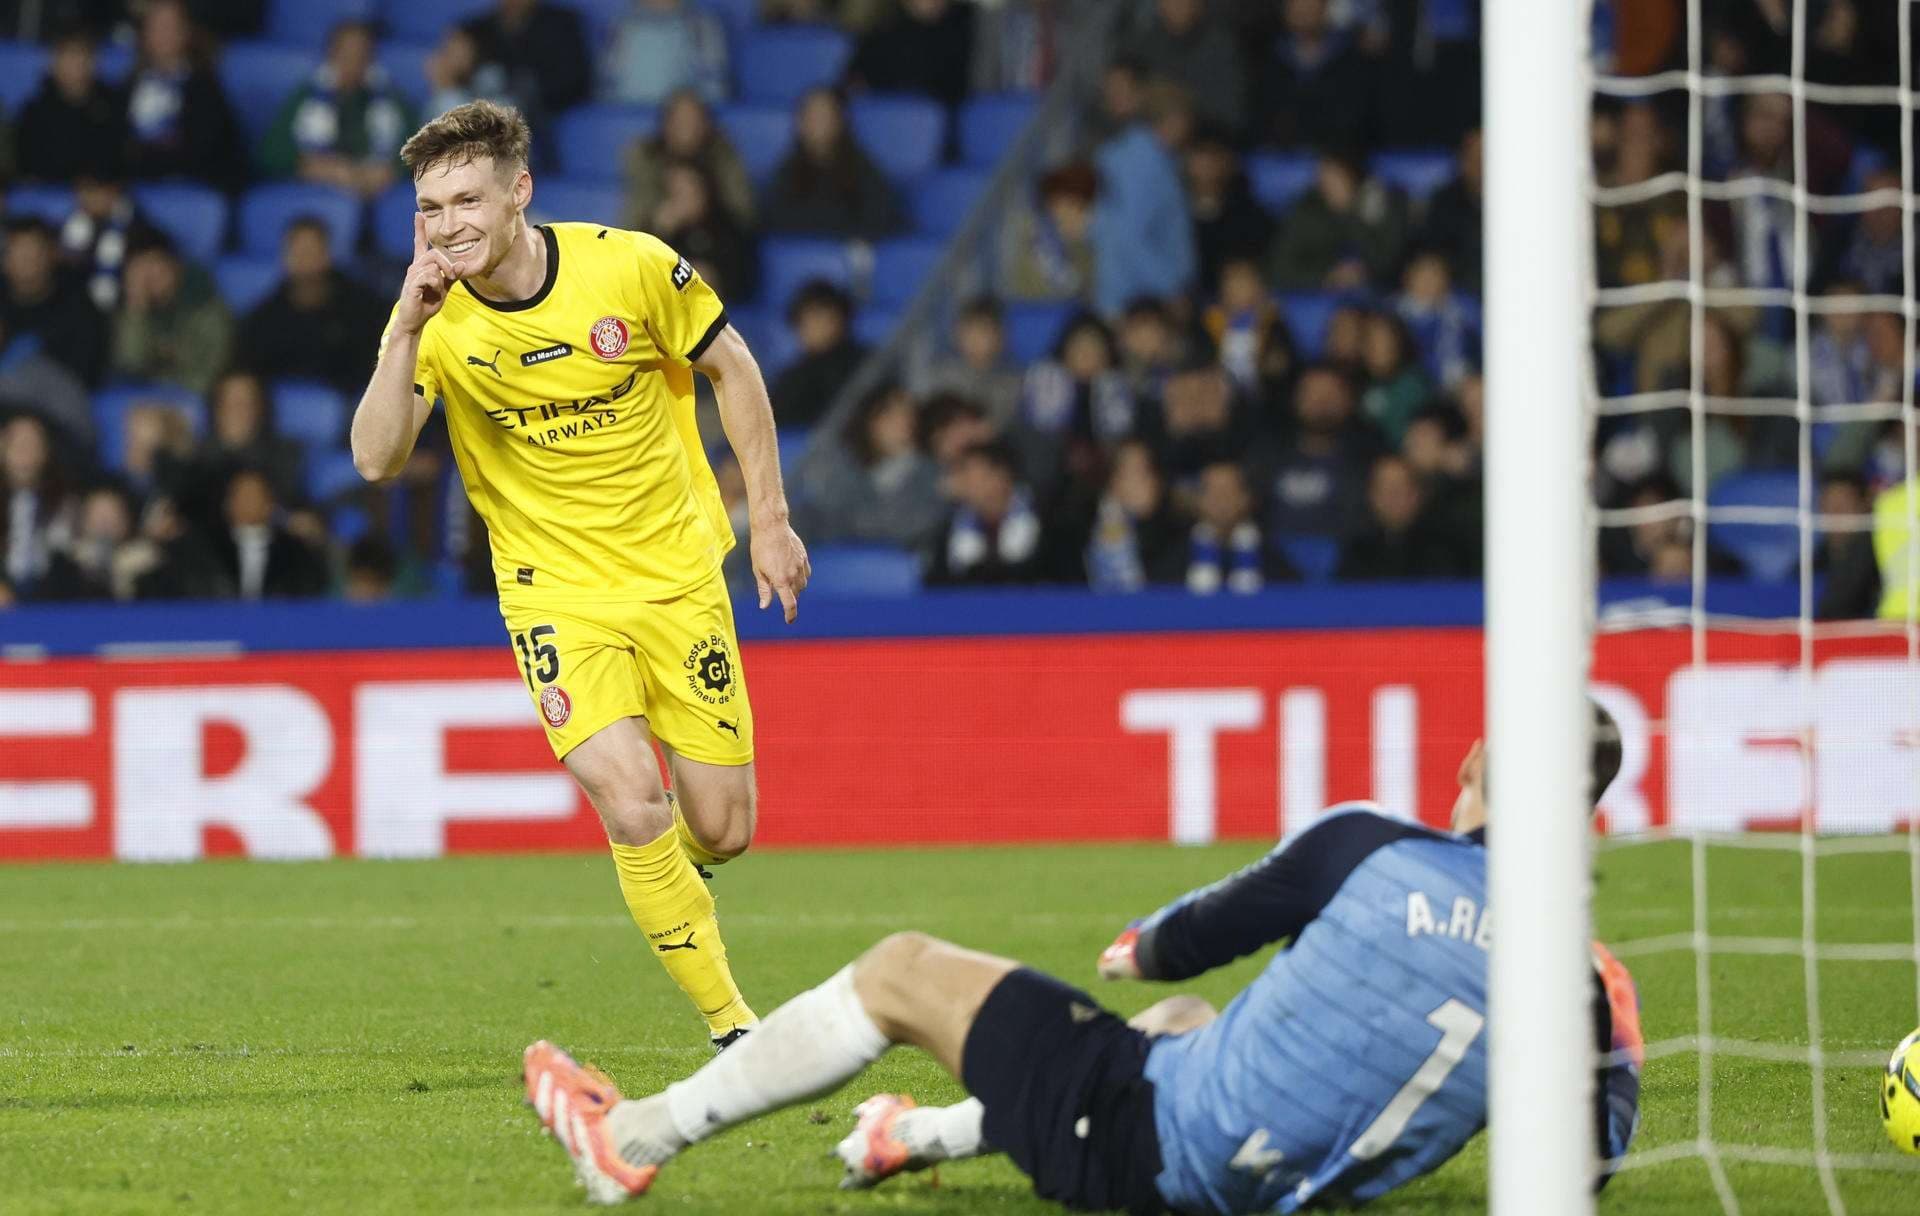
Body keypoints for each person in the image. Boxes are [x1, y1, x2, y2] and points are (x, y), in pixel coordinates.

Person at [520, 704, 1644, 1211]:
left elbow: (1176, 943)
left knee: (907, 968)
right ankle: (904, 1138)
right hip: (1293, 1178)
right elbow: (1584, 1168)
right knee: (1189, 1032)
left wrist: (1137, 947)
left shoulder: (1371, 846)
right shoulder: (1580, 981)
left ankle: (632, 1138)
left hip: (1162, 1157)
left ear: (1471, 773)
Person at [352, 100, 809, 1048]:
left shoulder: (630, 265)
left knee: (721, 830)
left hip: (679, 578)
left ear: (520, 192)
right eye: (430, 210)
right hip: (553, 597)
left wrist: (768, 520)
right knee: (633, 804)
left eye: (467, 200)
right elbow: (374, 459)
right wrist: (400, 334)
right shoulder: (433, 319)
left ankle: (674, 876)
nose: (449, 227)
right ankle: (735, 1030)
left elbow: (736, 368)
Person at [260, 20, 416, 199]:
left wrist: (391, 170)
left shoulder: (391, 96)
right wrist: (308, 165)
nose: (352, 62)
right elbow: (270, 152)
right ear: (331, 54)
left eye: (361, 55)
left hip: (376, 194)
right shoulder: (308, 94)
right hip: (319, 192)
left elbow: (421, 147)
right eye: (345, 54)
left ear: (371, 58)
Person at [236, 216, 392, 395]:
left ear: (326, 254)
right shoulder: (264, 318)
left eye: (311, 250)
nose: (303, 259)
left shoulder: (365, 307)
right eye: (297, 251)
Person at [759, 87, 902, 240]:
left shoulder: (863, 169)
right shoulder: (785, 171)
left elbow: (879, 219)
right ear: (798, 124)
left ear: (839, 122)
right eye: (809, 116)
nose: (816, 124)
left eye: (824, 116)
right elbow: (774, 222)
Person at [14, 27, 129, 185]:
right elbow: (29, 167)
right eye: (70, 55)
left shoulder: (114, 107)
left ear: (95, 61)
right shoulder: (34, 112)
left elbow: (120, 161)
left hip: (104, 197)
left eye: (84, 54)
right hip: (48, 200)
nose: (78, 64)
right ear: (53, 62)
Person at [601, 0, 731, 107]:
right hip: (626, 118)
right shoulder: (620, 25)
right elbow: (608, 84)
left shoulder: (702, 25)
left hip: (684, 122)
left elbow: (714, 86)